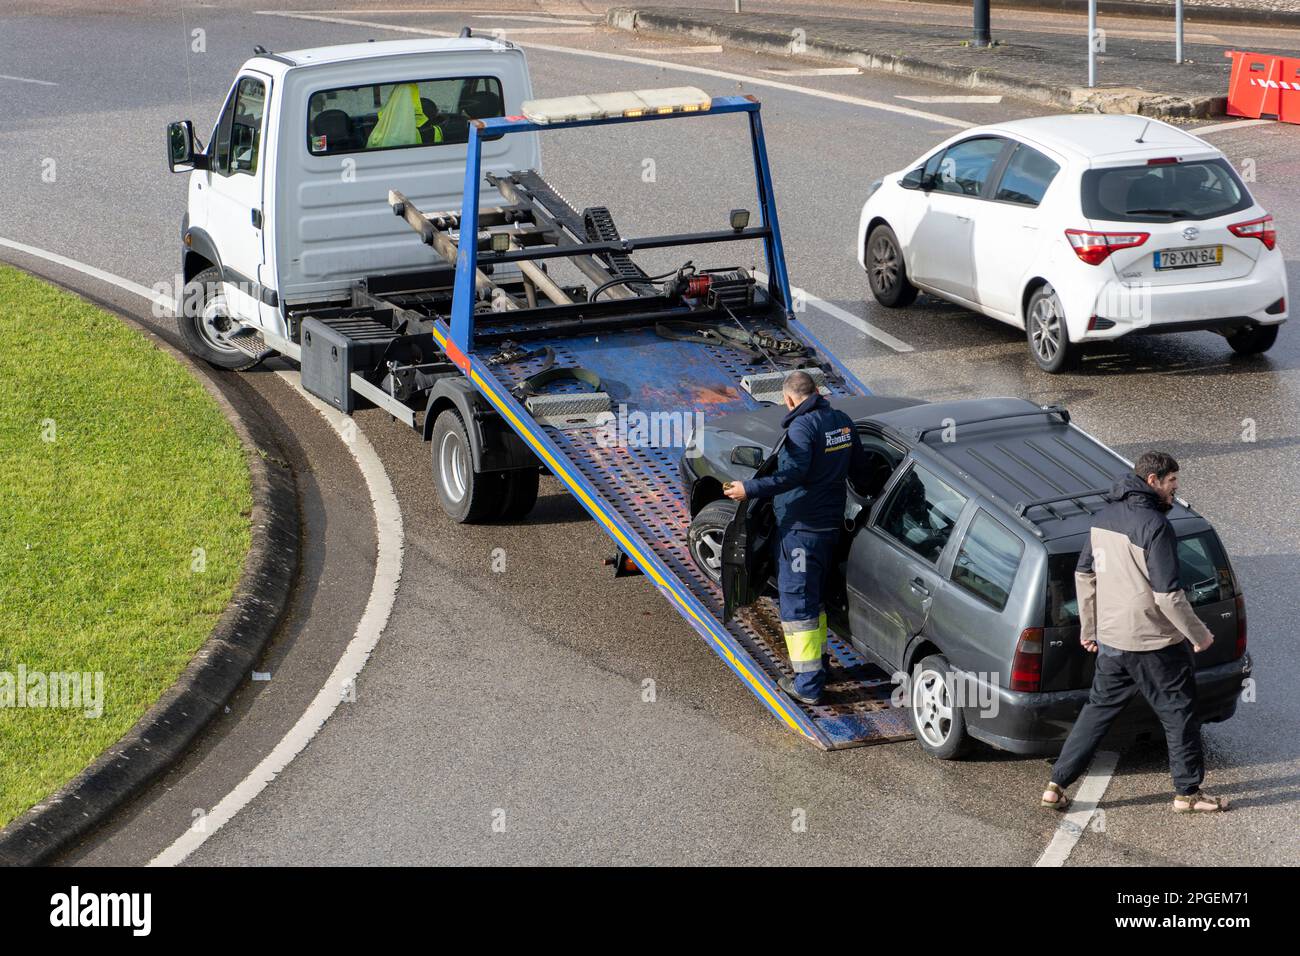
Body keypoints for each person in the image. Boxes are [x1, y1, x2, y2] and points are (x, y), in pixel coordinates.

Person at [1040, 451, 1230, 814]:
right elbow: (1168, 595)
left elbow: (1084, 574)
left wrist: (1090, 628)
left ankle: (1056, 784)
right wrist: (1200, 634)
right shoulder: (1156, 526)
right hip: (1154, 643)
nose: (1176, 488)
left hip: (1113, 641)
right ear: (1152, 481)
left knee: (1097, 713)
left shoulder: (1102, 518)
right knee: (1179, 714)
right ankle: (1187, 793)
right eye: (1172, 481)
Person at [724, 371, 870, 705]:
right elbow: (861, 472)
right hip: (829, 528)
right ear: (816, 392)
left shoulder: (802, 428)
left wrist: (750, 488)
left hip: (801, 532)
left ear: (789, 400)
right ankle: (818, 666)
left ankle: (807, 685)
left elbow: (792, 474)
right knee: (813, 601)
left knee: (798, 604)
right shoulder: (842, 421)